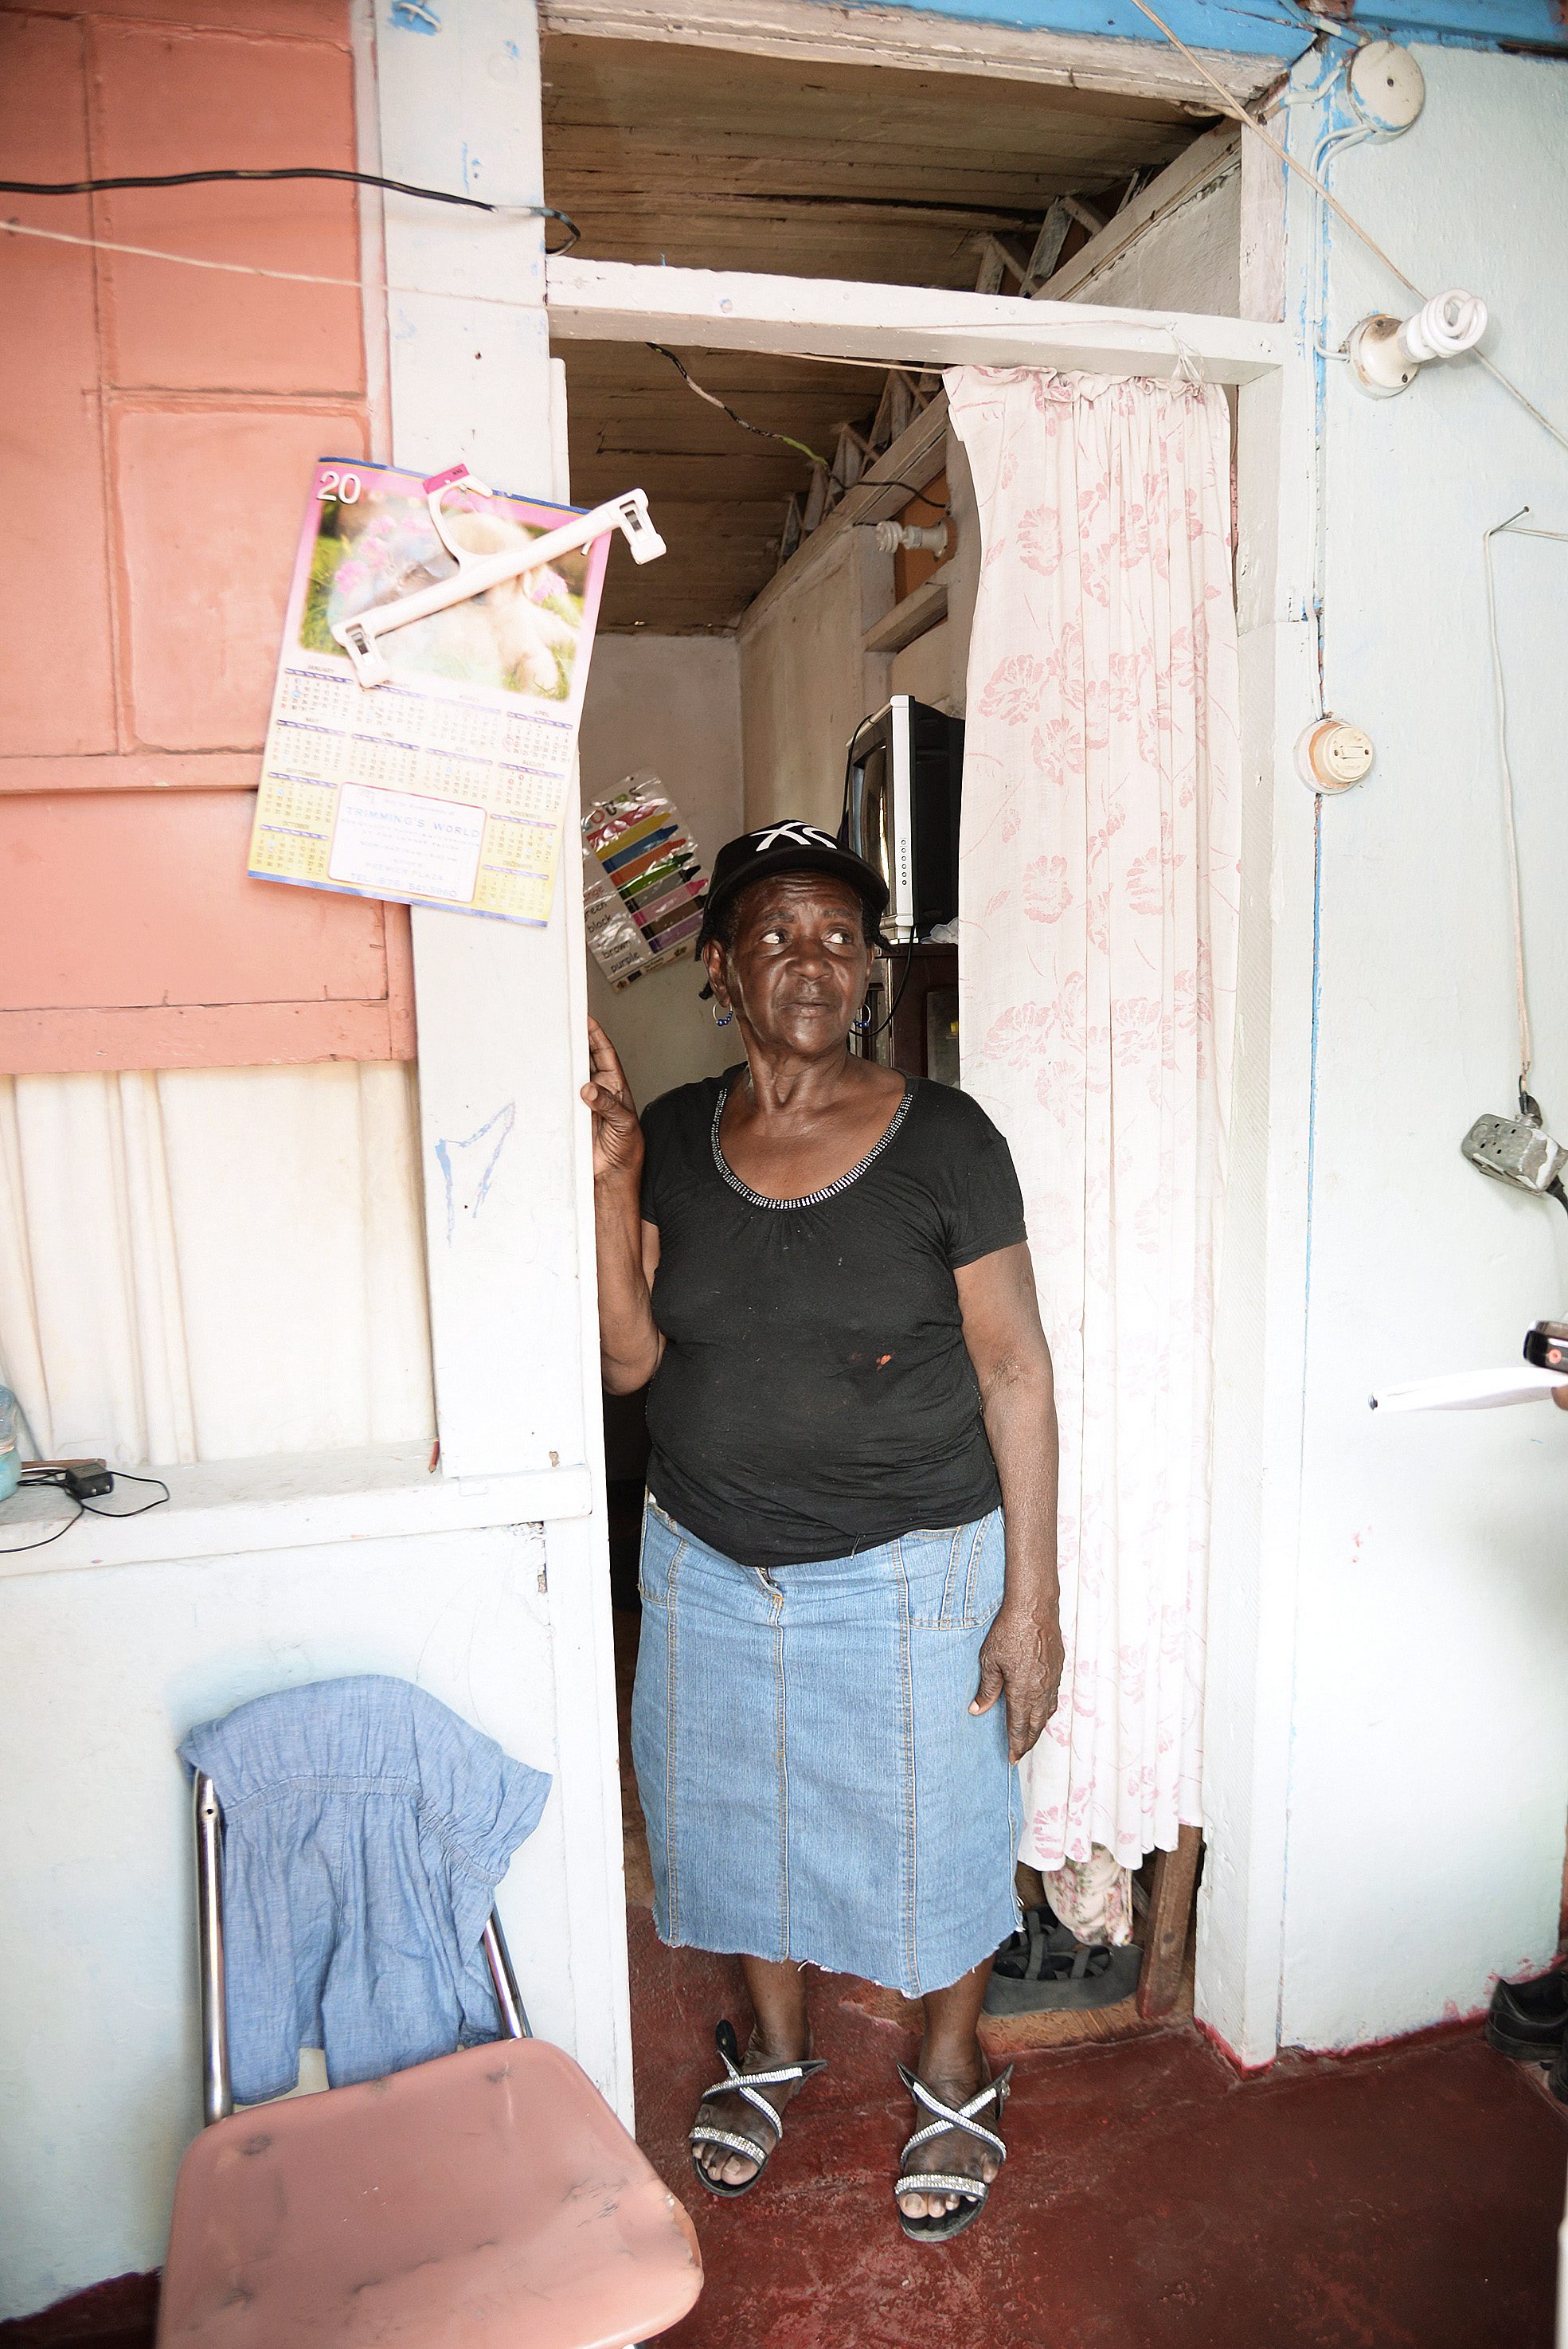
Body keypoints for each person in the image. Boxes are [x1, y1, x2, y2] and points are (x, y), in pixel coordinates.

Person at [583, 819, 1063, 2245]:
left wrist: (1031, 1599)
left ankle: (951, 2068)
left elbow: (1014, 1370)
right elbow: (626, 1359)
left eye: (840, 936)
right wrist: (609, 1178)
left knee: (942, 1826)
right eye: (777, 933)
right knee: (733, 1817)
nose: (812, 959)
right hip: (707, 1560)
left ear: (867, 970)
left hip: (911, 1566)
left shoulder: (946, 1139)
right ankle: (777, 2047)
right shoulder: (675, 1138)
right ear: (719, 965)